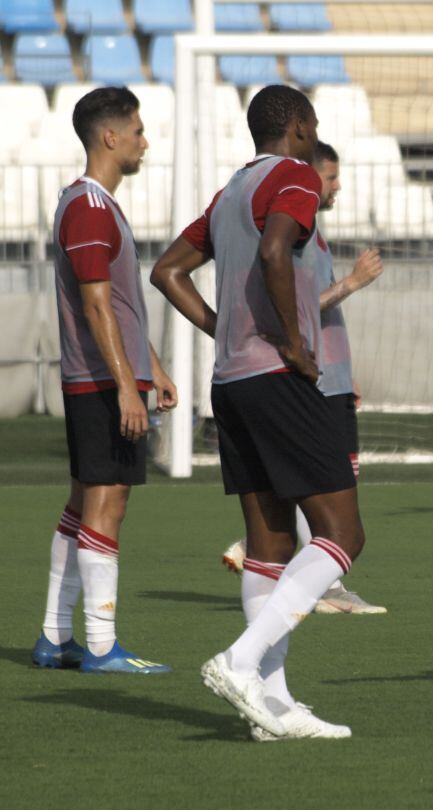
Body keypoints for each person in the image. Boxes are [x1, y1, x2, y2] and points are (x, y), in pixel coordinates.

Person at [151, 85, 364, 741]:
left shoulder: (229, 192)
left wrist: (227, 331)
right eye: (314, 124)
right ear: (297, 127)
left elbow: (166, 272)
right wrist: (295, 346)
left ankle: (270, 707)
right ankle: (242, 662)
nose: (314, 133)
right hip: (279, 377)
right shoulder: (294, 175)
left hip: (232, 381)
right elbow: (276, 252)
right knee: (342, 533)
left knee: (269, 543)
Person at [31, 87, 176, 675]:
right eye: (138, 130)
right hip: (98, 382)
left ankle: (53, 636)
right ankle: (98, 645)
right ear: (110, 137)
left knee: (81, 503)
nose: (145, 141)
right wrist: (125, 386)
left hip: (102, 378)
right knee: (106, 506)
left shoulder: (94, 204)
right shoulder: (89, 208)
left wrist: (154, 368)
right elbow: (96, 308)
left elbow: (117, 303)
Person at [220, 140, 387, 616]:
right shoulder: (288, 232)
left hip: (324, 375)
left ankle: (300, 584)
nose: (334, 186)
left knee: (312, 489)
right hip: (302, 378)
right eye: (329, 177)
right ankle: (317, 589)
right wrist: (352, 283)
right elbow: (289, 308)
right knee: (337, 516)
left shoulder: (307, 231)